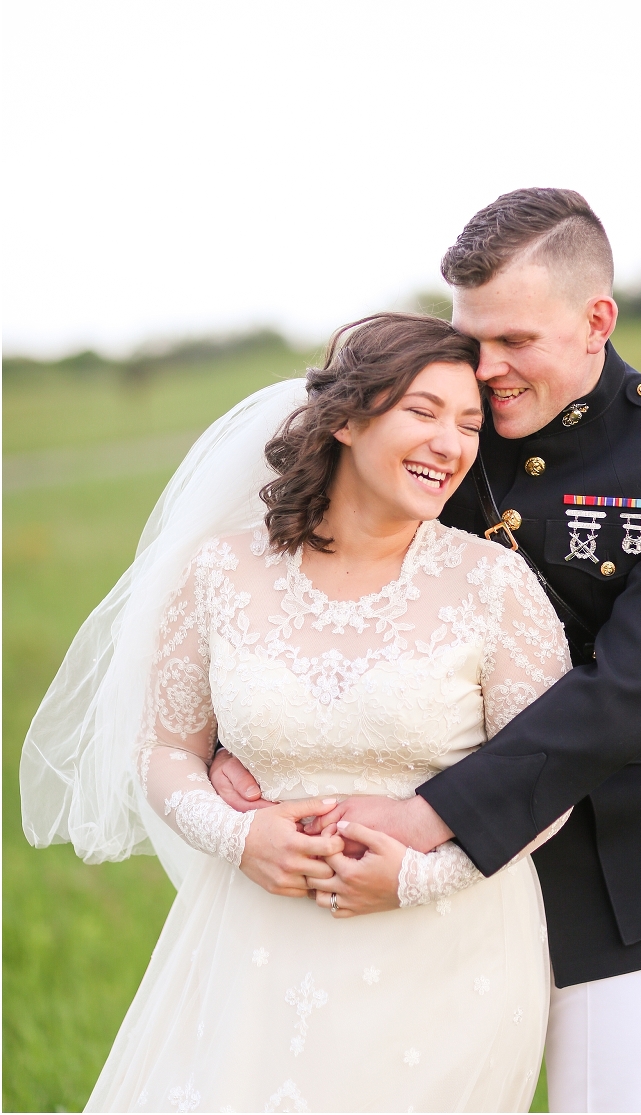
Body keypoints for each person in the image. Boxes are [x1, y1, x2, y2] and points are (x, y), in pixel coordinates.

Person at [213, 189, 641, 1113]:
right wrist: (252, 731)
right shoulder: (435, 424)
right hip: (399, 876)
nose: (487, 369)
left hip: (608, 866)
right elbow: (325, 572)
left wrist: (430, 818)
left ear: (597, 322)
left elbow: (635, 687)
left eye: (515, 340)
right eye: (473, 337)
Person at [21, 313, 573, 1113]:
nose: (450, 444)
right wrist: (240, 837)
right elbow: (166, 749)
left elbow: (546, 783)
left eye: (469, 423)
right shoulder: (220, 572)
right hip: (253, 941)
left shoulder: (495, 585)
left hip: (446, 949)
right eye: (422, 411)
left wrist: (419, 876)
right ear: (346, 419)